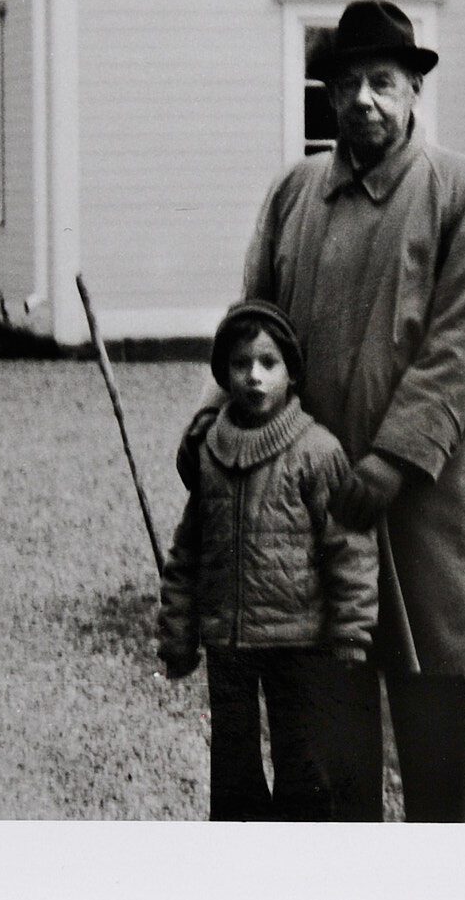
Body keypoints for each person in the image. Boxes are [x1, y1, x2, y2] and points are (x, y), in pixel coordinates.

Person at [194, 0, 465, 823]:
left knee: (430, 708)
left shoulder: (462, 192)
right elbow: (250, 327)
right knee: (332, 727)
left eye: (382, 81)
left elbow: (462, 342)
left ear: (412, 93)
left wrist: (394, 458)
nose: (363, 98)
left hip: (422, 508)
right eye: (347, 84)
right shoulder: (294, 195)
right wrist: (211, 429)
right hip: (315, 507)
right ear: (326, 97)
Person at [156, 299, 378, 821]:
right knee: (232, 767)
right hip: (228, 643)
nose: (253, 376)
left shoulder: (316, 452)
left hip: (297, 642)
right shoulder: (211, 451)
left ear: (291, 374)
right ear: (224, 374)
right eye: (240, 364)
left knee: (302, 764)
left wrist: (352, 630)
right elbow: (189, 552)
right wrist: (178, 632)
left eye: (268, 363)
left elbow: (348, 548)